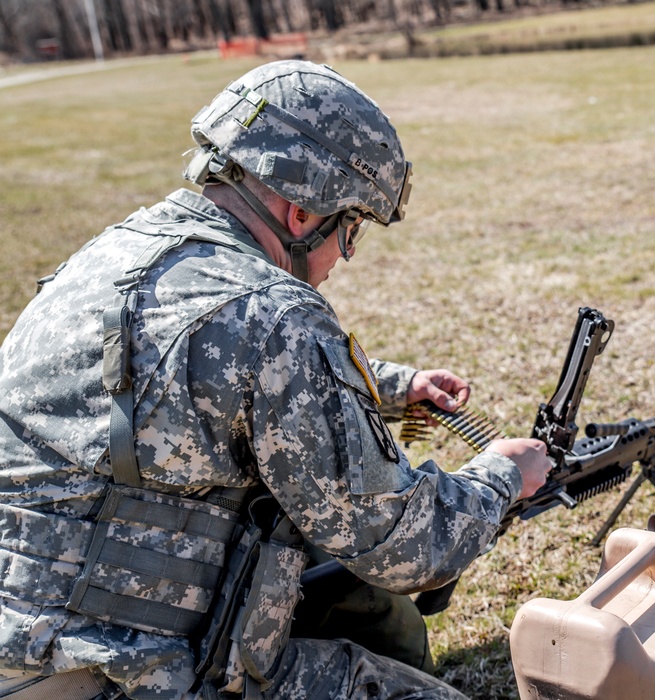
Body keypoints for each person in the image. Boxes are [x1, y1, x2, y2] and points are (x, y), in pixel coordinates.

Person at [0, 60, 550, 700]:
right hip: (122, 677)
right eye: (349, 231)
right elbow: (401, 544)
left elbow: (200, 375)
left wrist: (395, 388)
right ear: (298, 212)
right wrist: (504, 474)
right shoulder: (272, 314)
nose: (341, 258)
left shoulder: (113, 254)